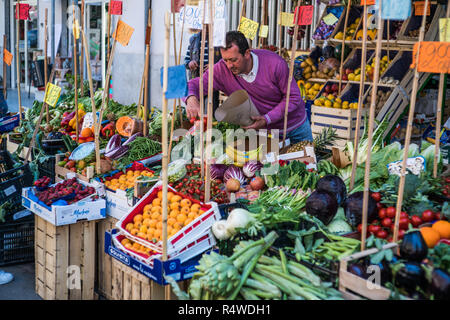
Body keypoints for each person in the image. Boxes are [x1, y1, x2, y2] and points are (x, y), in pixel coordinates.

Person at [183, 31, 312, 144]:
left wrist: (267, 119)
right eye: (225, 60)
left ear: (247, 53)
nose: (228, 66)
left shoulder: (275, 64)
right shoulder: (221, 69)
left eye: (233, 60)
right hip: (263, 133)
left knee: (308, 168)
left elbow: (294, 97)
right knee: (269, 170)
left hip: (295, 128)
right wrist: (191, 98)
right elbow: (193, 85)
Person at [184, 29, 222, 114]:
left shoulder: (218, 39)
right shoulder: (194, 39)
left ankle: (210, 123)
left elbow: (224, 60)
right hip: (196, 78)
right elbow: (186, 61)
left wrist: (214, 66)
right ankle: (198, 125)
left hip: (212, 80)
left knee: (210, 106)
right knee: (197, 107)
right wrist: (190, 63)